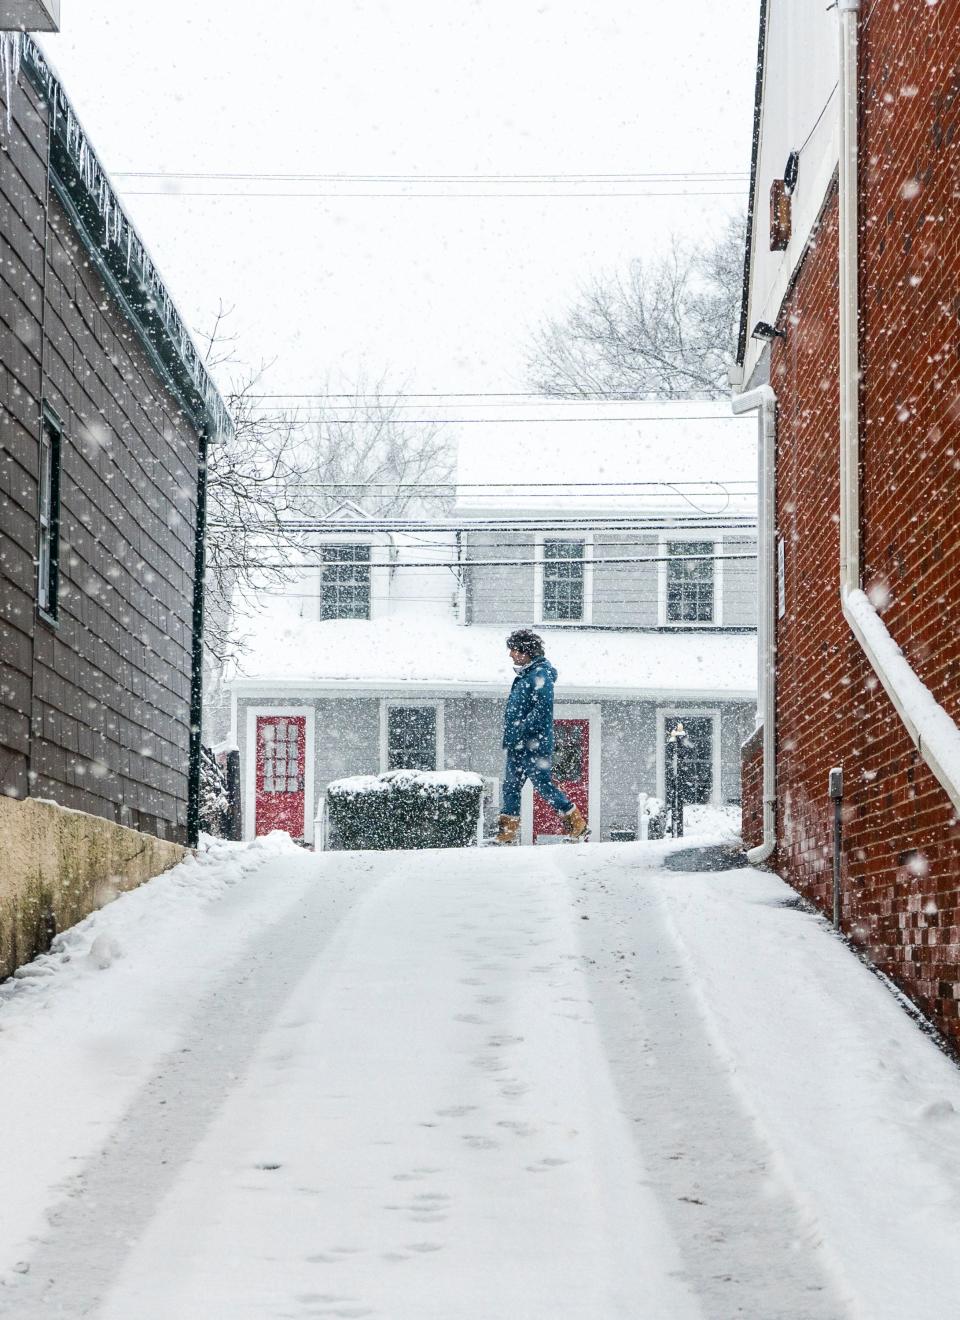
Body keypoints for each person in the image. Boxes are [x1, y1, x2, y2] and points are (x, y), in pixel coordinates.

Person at [493, 628, 589, 845]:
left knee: (543, 786)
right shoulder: (525, 676)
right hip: (517, 744)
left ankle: (577, 825)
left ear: (526, 651)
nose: (510, 655)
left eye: (514, 650)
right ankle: (506, 834)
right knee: (510, 787)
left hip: (533, 744)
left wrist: (521, 729)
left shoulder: (540, 674)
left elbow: (542, 709)